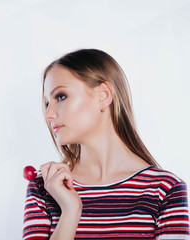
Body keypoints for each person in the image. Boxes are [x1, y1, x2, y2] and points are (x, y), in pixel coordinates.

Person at [22, 49, 190, 240]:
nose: (48, 114)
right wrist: (70, 212)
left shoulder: (165, 189)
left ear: (103, 95)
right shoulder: (45, 188)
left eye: (60, 96)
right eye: (46, 103)